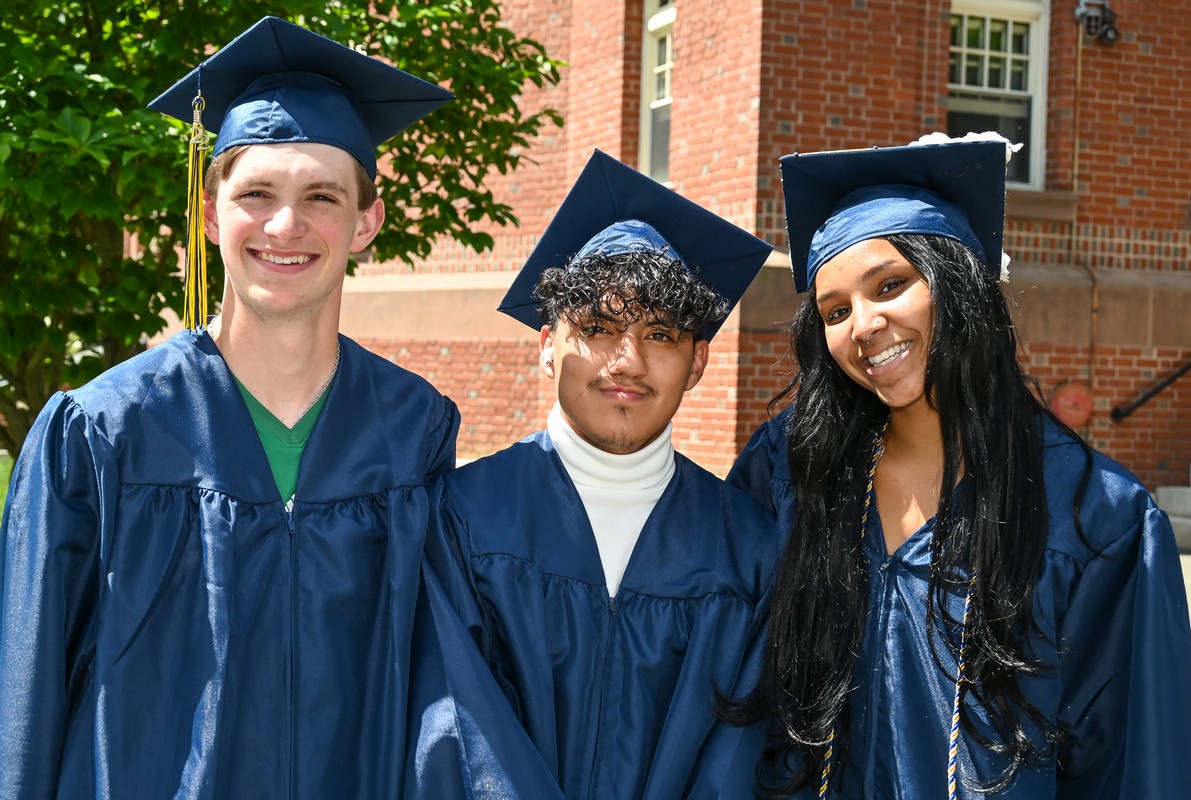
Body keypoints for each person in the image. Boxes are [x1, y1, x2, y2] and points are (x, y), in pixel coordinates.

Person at [0, 17, 467, 797]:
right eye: (257, 194)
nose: (287, 225)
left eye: (322, 195)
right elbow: (26, 695)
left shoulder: (413, 429)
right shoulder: (104, 430)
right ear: (212, 215)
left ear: (366, 224)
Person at [723, 138, 1191, 798]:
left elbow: (1134, 758)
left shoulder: (1095, 516)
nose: (862, 324)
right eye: (834, 310)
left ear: (959, 283)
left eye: (890, 285)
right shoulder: (789, 471)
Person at [424, 149, 779, 799]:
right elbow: (455, 731)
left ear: (698, 362)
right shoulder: (461, 519)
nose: (627, 361)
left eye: (662, 335)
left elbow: (743, 762)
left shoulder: (750, 552)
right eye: (597, 327)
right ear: (547, 343)